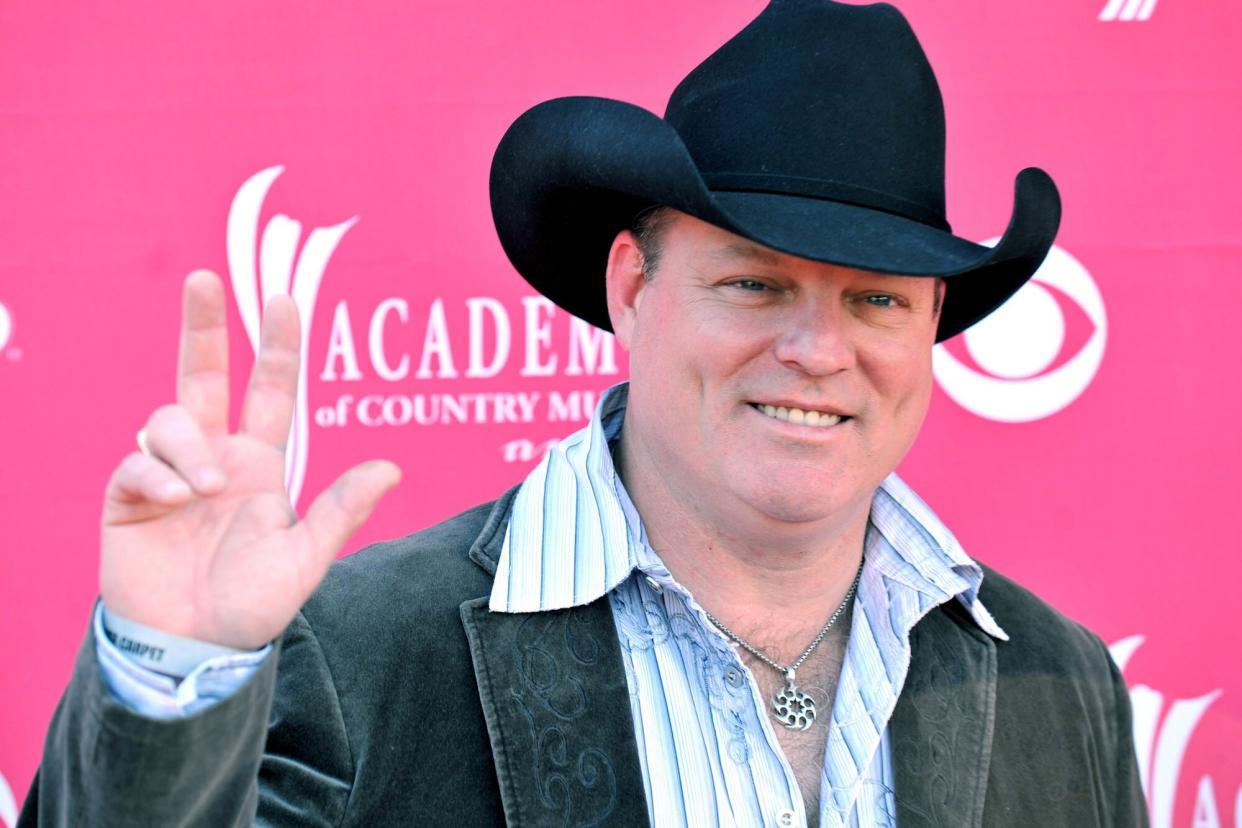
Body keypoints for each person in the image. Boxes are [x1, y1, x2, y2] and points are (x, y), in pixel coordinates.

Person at [20, 1, 1148, 826]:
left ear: (932, 325)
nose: (817, 351)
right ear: (631, 287)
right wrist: (170, 674)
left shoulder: (1063, 678)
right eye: (754, 283)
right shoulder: (355, 653)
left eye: (875, 300)